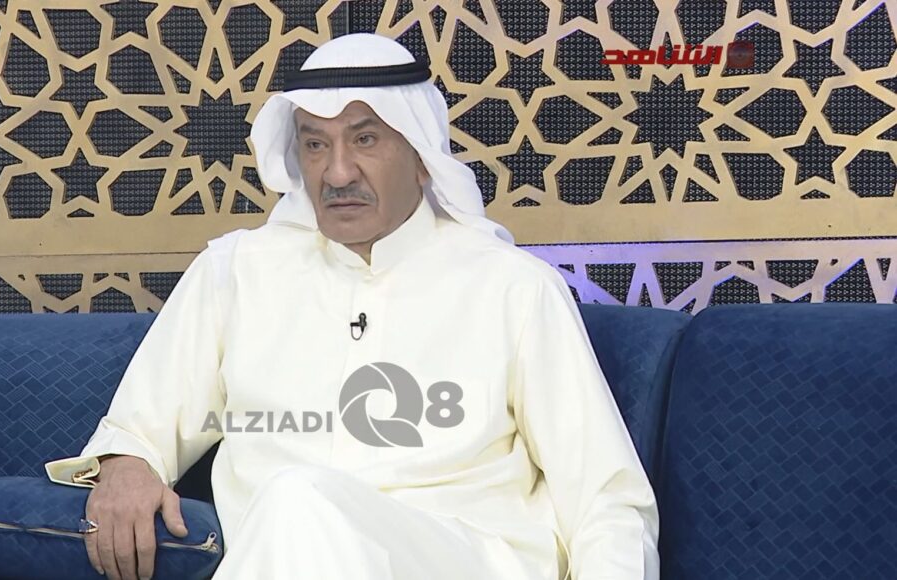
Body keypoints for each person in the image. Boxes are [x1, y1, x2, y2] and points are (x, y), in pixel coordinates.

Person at [45, 33, 659, 580]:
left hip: (465, 558)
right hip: (287, 550)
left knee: (298, 500)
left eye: (365, 139)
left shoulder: (513, 287)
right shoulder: (236, 272)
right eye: (315, 145)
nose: (337, 173)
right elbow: (140, 428)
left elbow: (604, 497)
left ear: (421, 156)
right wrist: (127, 465)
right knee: (296, 506)